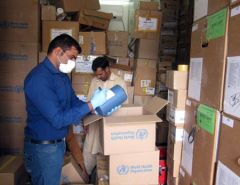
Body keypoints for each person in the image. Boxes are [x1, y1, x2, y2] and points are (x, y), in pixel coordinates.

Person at [23, 34, 111, 185]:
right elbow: (58, 119)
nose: (73, 62)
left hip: (57, 145)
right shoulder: (38, 79)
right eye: (72, 57)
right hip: (43, 148)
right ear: (58, 52)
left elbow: (74, 102)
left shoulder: (62, 77)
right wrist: (91, 105)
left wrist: (95, 106)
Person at [83, 56, 128, 175]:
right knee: (89, 152)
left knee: (107, 154)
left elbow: (124, 107)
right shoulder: (94, 81)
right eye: (96, 74)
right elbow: (89, 102)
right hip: (94, 124)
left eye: (100, 74)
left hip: (110, 127)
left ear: (107, 69)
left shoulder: (119, 82)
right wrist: (86, 121)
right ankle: (85, 177)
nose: (98, 77)